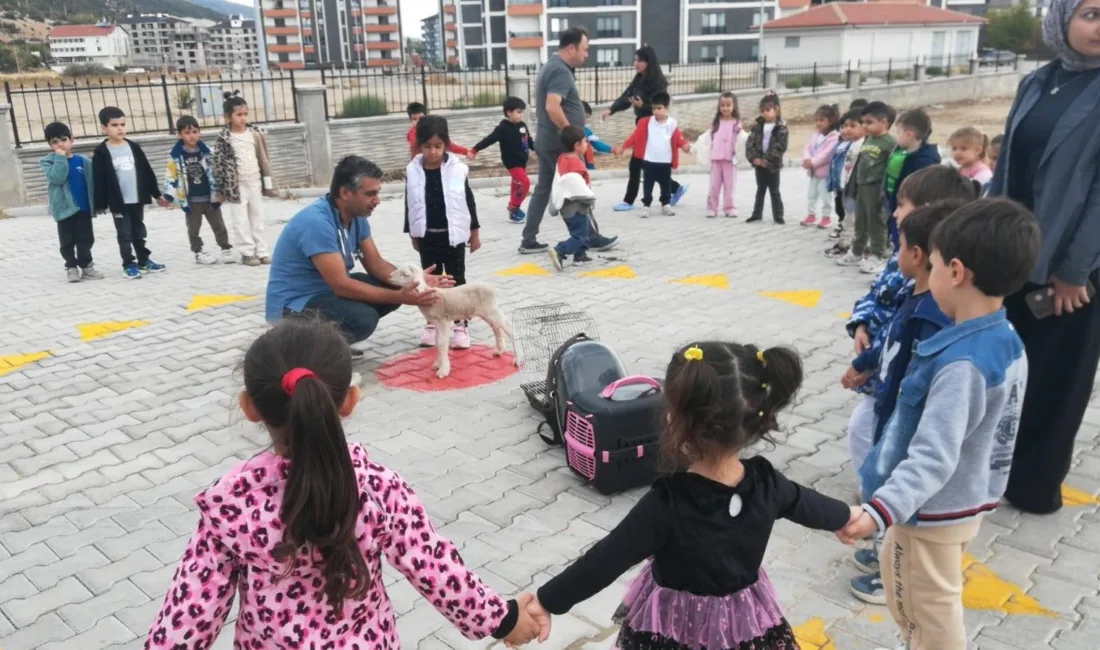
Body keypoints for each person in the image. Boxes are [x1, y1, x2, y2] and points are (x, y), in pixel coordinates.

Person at [144, 319, 542, 648]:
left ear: (249, 407)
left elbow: (187, 616)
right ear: (350, 401)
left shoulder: (230, 504)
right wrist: (504, 620)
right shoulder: (377, 487)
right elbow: (435, 568)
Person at [522, 342, 858, 648]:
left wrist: (548, 601)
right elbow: (806, 503)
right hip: (744, 623)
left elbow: (608, 558)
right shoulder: (766, 481)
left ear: (674, 420)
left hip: (673, 629)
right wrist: (850, 517)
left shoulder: (669, 502)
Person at [840, 199, 1041, 650]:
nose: (926, 276)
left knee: (926, 613)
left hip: (930, 509)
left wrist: (877, 512)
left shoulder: (961, 363)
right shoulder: (1003, 338)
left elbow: (934, 455)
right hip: (959, 501)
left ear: (955, 271)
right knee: (915, 592)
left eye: (930, 264)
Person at [989, 0, 1100, 514]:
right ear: (1062, 20)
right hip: (1017, 256)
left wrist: (1074, 271)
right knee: (1011, 370)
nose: (1099, 26)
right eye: (1092, 14)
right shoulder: (1037, 82)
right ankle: (995, 470)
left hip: (1074, 268)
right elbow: (1008, 164)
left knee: (1058, 377)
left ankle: (1035, 485)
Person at [843, 169, 982, 578]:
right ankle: (884, 532)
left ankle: (892, 559)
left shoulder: (934, 309)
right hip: (887, 399)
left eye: (902, 206)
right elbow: (890, 334)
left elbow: (914, 359)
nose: (895, 213)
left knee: (894, 475)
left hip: (904, 411)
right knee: (871, 452)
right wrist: (864, 359)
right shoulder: (915, 290)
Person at [265, 156, 451, 358]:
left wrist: (417, 281)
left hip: (324, 292)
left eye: (378, 192)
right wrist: (400, 297)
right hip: (294, 305)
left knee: (396, 284)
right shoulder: (316, 222)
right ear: (345, 193)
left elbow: (377, 265)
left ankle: (330, 339)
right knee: (363, 318)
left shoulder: (356, 217)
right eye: (370, 194)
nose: (377, 200)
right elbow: (341, 285)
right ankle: (307, 349)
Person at [405, 115, 481, 349]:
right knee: (430, 281)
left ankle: (460, 324)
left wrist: (474, 232)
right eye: (427, 146)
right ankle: (433, 323)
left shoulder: (457, 170)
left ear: (446, 144)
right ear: (419, 145)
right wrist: (413, 234)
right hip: (428, 236)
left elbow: (468, 200)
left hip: (454, 236)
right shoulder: (413, 170)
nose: (433, 152)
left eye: (438, 146)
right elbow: (410, 203)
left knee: (456, 280)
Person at [519, 27, 589, 255]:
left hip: (549, 140)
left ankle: (529, 239)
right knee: (577, 188)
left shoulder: (552, 66)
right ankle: (587, 238)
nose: (586, 55)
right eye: (584, 49)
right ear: (572, 48)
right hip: (559, 142)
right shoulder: (560, 71)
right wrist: (572, 134)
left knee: (544, 189)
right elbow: (552, 105)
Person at [603, 46, 688, 212]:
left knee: (636, 164)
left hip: (653, 129)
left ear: (648, 62)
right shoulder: (639, 79)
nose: (636, 63)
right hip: (642, 126)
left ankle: (629, 201)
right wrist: (611, 110)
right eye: (635, 60)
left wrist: (645, 106)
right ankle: (675, 188)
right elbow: (626, 97)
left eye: (639, 60)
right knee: (645, 165)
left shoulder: (658, 83)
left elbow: (662, 107)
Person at [92, 106, 168, 279]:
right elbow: (99, 180)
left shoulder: (133, 147)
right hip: (119, 202)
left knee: (139, 231)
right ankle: (128, 264)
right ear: (104, 128)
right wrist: (100, 204)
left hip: (137, 199)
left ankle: (144, 260)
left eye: (123, 124)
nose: (120, 128)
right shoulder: (101, 153)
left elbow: (147, 172)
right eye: (114, 125)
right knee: (124, 234)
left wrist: (156, 194)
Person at [212, 91, 277, 266]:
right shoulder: (224, 138)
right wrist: (221, 189)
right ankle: (247, 253)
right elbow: (218, 165)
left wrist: (268, 182)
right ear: (228, 116)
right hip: (236, 186)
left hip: (254, 181)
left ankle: (261, 251)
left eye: (245, 114)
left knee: (257, 218)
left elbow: (263, 158)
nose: (243, 118)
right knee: (240, 220)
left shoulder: (254, 134)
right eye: (239, 114)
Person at [164, 115, 235, 266]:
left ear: (199, 132)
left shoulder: (208, 152)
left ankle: (225, 248)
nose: (192, 136)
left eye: (195, 132)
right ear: (179, 135)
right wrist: (168, 196)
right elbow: (171, 175)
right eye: (187, 133)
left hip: (210, 197)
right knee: (193, 228)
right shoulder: (176, 155)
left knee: (219, 225)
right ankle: (198, 252)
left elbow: (218, 172)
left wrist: (222, 191)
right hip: (191, 200)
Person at [877, 108, 941, 275]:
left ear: (909, 134)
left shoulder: (926, 159)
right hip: (896, 204)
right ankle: (896, 267)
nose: (896, 137)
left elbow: (923, 191)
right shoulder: (902, 152)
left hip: (912, 211)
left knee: (905, 241)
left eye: (898, 132)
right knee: (896, 238)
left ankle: (904, 272)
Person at [40, 122, 104, 283]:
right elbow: (58, 177)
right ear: (49, 145)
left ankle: (87, 267)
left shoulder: (83, 161)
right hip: (64, 209)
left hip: (83, 208)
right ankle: (71, 267)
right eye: (54, 142)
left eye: (63, 139)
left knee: (86, 239)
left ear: (72, 140)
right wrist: (60, 158)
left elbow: (92, 183)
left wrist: (97, 203)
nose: (60, 144)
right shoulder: (48, 162)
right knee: (67, 241)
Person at [836, 101, 896, 270]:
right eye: (863, 122)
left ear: (884, 122)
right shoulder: (868, 139)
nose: (865, 126)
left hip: (877, 189)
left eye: (869, 122)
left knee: (876, 222)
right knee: (860, 221)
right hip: (862, 186)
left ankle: (876, 256)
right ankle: (856, 251)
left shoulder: (890, 143)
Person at [614, 92, 690, 218]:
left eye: (659, 108)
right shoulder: (645, 122)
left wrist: (685, 146)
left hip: (665, 161)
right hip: (649, 160)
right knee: (648, 185)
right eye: (654, 108)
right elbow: (635, 137)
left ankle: (666, 205)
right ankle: (646, 206)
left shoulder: (672, 124)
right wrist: (624, 147)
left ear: (667, 108)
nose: (656, 111)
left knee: (665, 184)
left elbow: (678, 139)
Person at [470, 96, 533, 225]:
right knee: (524, 182)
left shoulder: (522, 125)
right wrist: (475, 149)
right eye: (518, 112)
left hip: (522, 161)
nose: (521, 115)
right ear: (509, 113)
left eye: (522, 112)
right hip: (512, 162)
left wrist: (540, 149)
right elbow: (489, 139)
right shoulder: (503, 128)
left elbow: (529, 141)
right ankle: (514, 207)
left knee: (517, 184)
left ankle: (514, 212)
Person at [548, 125, 596, 271]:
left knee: (582, 230)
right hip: (576, 206)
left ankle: (580, 256)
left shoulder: (562, 158)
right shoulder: (575, 163)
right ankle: (560, 251)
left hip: (566, 207)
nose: (587, 144)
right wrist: (590, 197)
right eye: (585, 142)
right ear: (577, 145)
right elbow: (576, 186)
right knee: (580, 236)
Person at [693, 91, 741, 219]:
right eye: (722, 105)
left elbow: (741, 141)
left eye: (728, 105)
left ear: (734, 106)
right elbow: (707, 139)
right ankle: (712, 208)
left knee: (730, 186)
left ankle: (729, 208)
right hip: (716, 160)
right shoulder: (716, 123)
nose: (725, 108)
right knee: (714, 185)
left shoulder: (737, 124)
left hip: (730, 161)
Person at [824, 109, 865, 257]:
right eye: (844, 126)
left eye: (852, 126)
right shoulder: (850, 144)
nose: (846, 129)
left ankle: (848, 246)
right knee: (847, 218)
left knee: (852, 219)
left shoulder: (863, 145)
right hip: (845, 187)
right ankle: (844, 244)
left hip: (855, 190)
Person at [745, 93, 788, 224]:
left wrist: (767, 160)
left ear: (776, 109)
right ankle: (757, 214)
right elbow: (750, 144)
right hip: (759, 165)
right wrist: (754, 159)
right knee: (760, 190)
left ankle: (778, 215)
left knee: (774, 191)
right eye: (763, 111)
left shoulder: (781, 128)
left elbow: (780, 146)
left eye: (768, 110)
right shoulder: (757, 127)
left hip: (772, 166)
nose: (765, 113)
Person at [801, 104, 840, 229]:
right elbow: (807, 147)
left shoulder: (834, 137)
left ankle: (826, 217)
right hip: (813, 173)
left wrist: (812, 162)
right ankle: (811, 214)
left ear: (831, 121)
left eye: (822, 120)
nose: (818, 123)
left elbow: (827, 154)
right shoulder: (815, 135)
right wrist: (806, 159)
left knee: (825, 196)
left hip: (825, 173)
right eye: (817, 120)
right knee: (811, 194)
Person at [581, 101, 612, 171]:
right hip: (584, 164)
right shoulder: (585, 130)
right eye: (585, 118)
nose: (585, 121)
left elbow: (597, 144)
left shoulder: (585, 129)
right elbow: (597, 145)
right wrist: (612, 149)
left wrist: (612, 149)